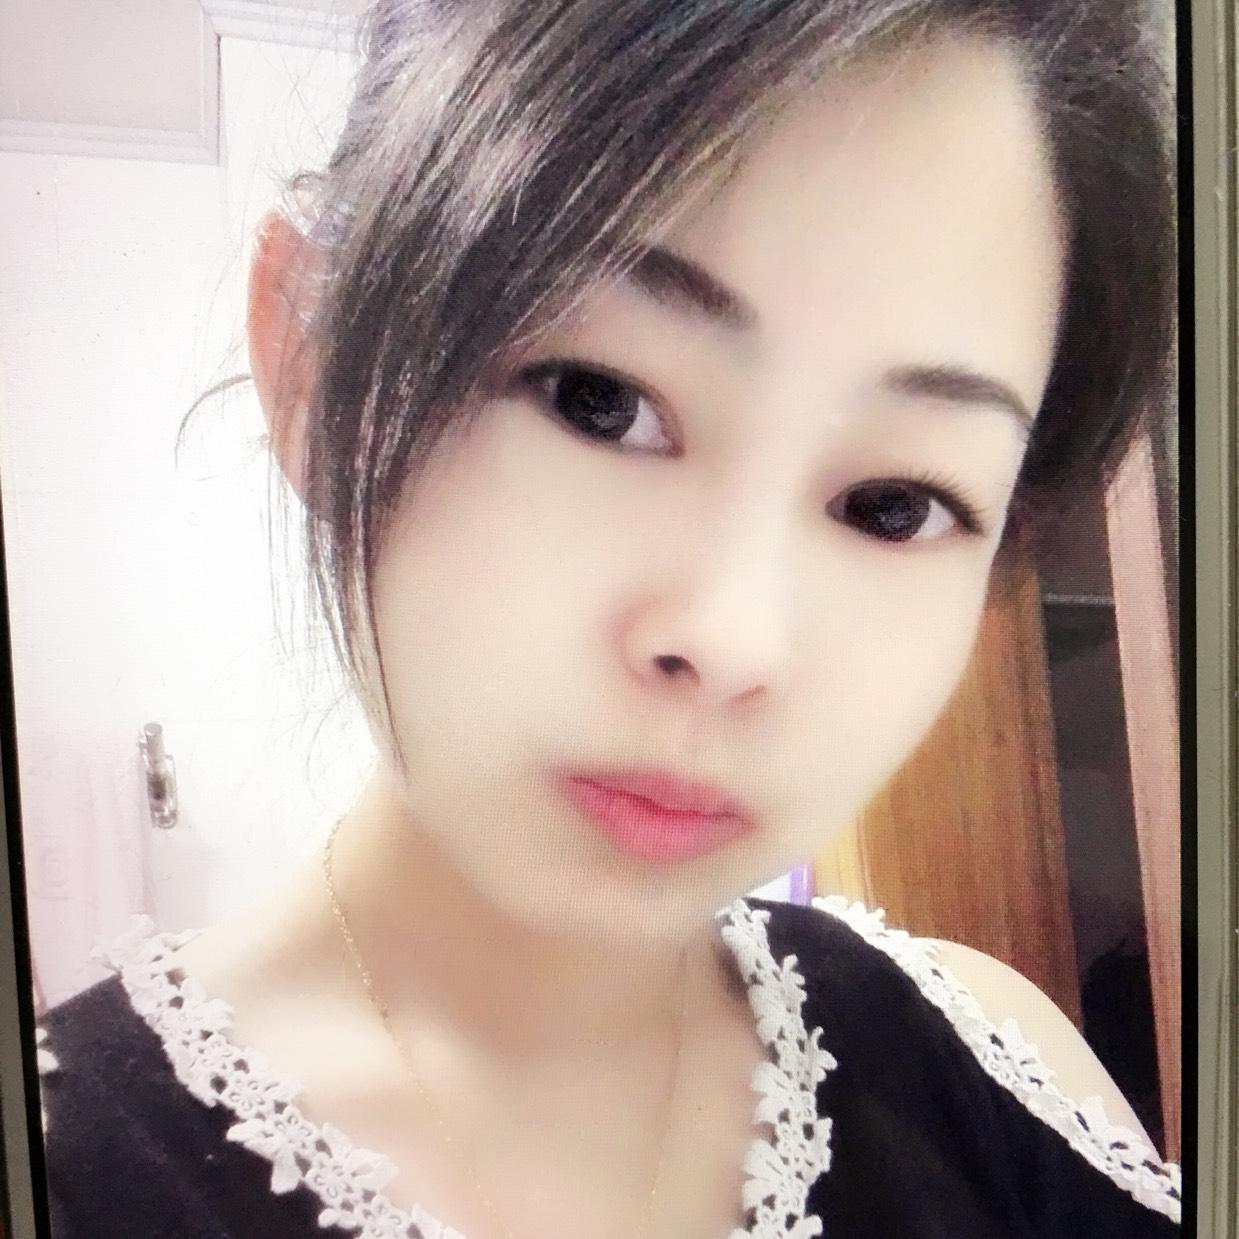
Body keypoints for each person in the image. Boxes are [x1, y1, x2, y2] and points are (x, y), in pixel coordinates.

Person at [34, 0, 1181, 1235]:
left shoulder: (999, 1067)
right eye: (598, 399)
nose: (733, 640)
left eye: (894, 506)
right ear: (307, 362)